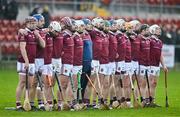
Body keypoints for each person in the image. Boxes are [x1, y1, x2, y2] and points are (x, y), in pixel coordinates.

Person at [16, 16, 45, 111]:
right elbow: (22, 48)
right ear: (26, 24)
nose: (33, 25)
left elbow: (43, 45)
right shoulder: (24, 33)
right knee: (22, 83)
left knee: (30, 84)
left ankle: (26, 103)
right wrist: (26, 61)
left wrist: (38, 35)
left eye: (34, 23)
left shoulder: (34, 33)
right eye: (30, 23)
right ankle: (18, 104)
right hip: (23, 62)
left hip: (32, 62)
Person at [149, 24, 168, 107]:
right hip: (150, 65)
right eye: (157, 29)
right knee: (150, 83)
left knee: (155, 83)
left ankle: (153, 101)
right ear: (152, 30)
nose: (159, 30)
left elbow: (160, 55)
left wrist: (164, 65)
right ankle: (147, 101)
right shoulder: (150, 40)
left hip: (157, 65)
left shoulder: (160, 42)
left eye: (160, 29)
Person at [138, 24, 151, 107]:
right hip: (141, 63)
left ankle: (145, 100)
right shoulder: (139, 38)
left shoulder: (148, 40)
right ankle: (138, 100)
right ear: (142, 31)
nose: (148, 31)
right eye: (147, 30)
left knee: (146, 83)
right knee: (140, 83)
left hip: (148, 64)